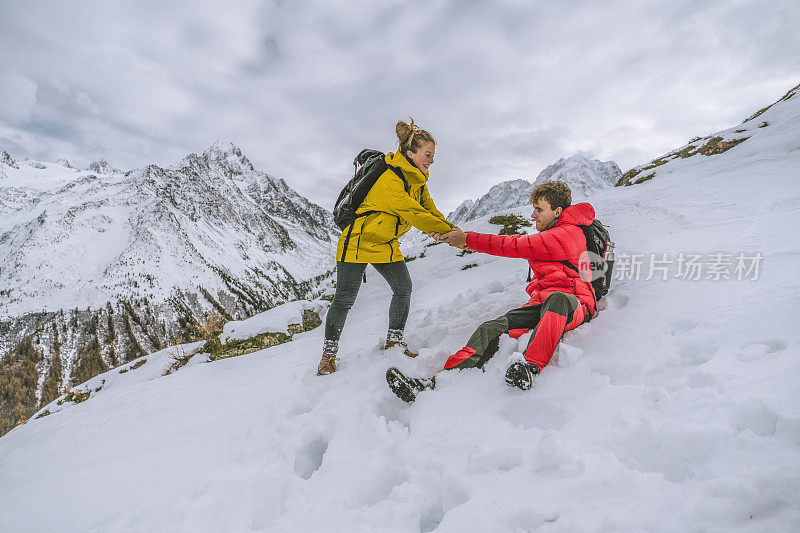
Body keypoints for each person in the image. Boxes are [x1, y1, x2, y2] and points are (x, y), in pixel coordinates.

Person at [386, 180, 598, 402]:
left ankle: (530, 367)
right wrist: (459, 239)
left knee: (557, 299)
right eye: (533, 208)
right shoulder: (552, 232)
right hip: (542, 304)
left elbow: (513, 245)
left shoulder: (566, 234)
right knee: (490, 328)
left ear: (557, 211)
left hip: (575, 305)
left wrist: (466, 239)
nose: (533, 215)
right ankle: (433, 383)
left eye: (539, 209)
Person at [318, 119, 456, 375]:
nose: (432, 160)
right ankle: (328, 356)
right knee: (345, 300)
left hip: (385, 242)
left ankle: (394, 342)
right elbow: (412, 212)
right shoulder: (389, 179)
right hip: (358, 241)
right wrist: (449, 234)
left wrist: (453, 230)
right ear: (411, 153)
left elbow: (429, 210)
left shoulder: (419, 180)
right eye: (428, 155)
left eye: (433, 155)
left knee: (403, 288)